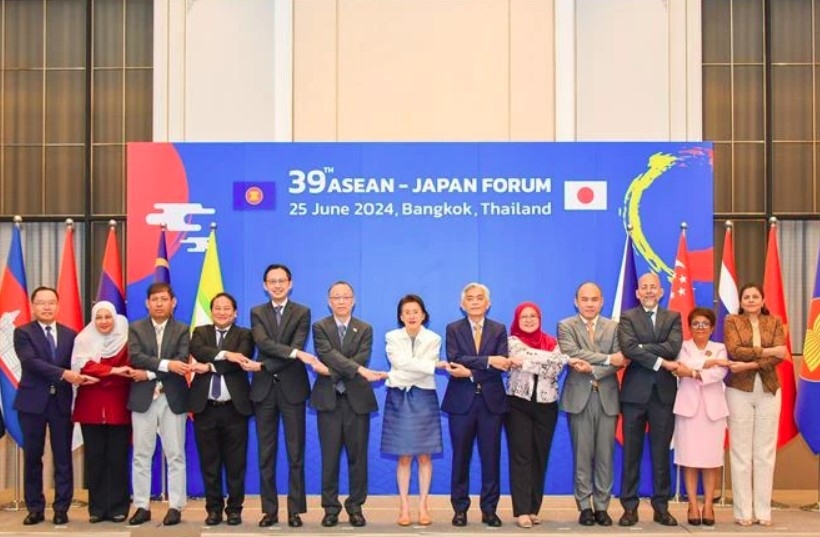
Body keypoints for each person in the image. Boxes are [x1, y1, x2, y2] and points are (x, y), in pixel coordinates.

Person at [246, 264, 327, 527]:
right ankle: (269, 511)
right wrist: (292, 354)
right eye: (272, 281)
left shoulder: (302, 312)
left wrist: (264, 364)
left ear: (290, 283)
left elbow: (297, 345)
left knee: (295, 453)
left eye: (282, 281)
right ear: (264, 285)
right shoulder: (257, 312)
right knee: (265, 454)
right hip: (264, 391)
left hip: (292, 389)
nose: (277, 285)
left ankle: (294, 510)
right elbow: (263, 343)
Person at [13, 286, 95, 525]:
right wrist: (64, 374)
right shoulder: (23, 332)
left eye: (51, 302)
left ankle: (61, 508)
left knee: (63, 458)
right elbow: (30, 362)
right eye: (41, 303)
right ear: (33, 306)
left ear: (58, 306)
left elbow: (80, 363)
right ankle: (35, 508)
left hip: (60, 403)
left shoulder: (71, 335)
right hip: (32, 404)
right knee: (33, 458)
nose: (47, 307)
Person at [311, 281, 385, 528]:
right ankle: (330, 508)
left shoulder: (365, 328)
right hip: (329, 401)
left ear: (353, 300)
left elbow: (360, 357)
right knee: (329, 458)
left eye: (345, 297)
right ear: (329, 301)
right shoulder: (320, 326)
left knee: (358, 458)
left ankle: (356, 507)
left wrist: (330, 372)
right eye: (336, 297)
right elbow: (326, 353)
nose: (341, 301)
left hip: (357, 402)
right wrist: (358, 370)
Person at [557, 282, 627, 527]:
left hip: (607, 397)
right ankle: (584, 505)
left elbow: (621, 360)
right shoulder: (566, 326)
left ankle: (602, 506)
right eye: (584, 299)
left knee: (605, 456)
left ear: (602, 301)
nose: (589, 304)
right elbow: (571, 353)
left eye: (594, 299)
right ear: (576, 301)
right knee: (582, 454)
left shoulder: (615, 327)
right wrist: (607, 358)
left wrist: (595, 369)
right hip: (579, 398)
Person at [617, 272, 683, 527]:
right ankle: (629, 508)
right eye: (643, 287)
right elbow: (627, 348)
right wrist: (658, 357)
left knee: (660, 454)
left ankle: (661, 507)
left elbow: (673, 347)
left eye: (653, 287)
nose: (648, 291)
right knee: (631, 454)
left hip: (663, 395)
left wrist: (643, 349)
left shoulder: (673, 317)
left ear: (661, 291)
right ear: (637, 293)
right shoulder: (628, 317)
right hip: (634, 395)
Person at [442, 282, 509, 527]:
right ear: (462, 304)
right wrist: (489, 360)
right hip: (461, 403)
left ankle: (489, 509)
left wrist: (471, 373)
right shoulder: (453, 329)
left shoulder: (499, 329)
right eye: (469, 298)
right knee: (461, 457)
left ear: (488, 303)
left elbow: (502, 364)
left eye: (479, 298)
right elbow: (455, 359)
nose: (474, 301)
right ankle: (460, 509)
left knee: (491, 458)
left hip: (491, 403)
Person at [381, 294, 449, 526]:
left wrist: (403, 371)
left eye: (415, 311)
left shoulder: (434, 338)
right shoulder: (391, 336)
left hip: (424, 396)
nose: (411, 315)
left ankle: (423, 506)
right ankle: (404, 507)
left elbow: (423, 372)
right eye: (407, 312)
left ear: (423, 315)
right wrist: (429, 366)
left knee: (425, 455)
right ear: (401, 316)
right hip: (399, 396)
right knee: (403, 456)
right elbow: (402, 364)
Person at [127, 282, 191, 526]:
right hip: (143, 399)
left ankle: (176, 506)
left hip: (172, 398)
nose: (159, 303)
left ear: (172, 302)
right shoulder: (136, 328)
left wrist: (150, 373)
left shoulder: (183, 329)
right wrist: (166, 366)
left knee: (175, 455)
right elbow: (136, 357)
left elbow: (182, 360)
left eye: (164, 299)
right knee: (141, 455)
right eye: (155, 299)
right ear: (147, 303)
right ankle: (142, 505)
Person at [723, 283, 787, 527]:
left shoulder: (775, 322)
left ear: (763, 300)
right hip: (739, 390)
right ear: (741, 301)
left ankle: (763, 511)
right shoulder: (732, 321)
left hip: (769, 391)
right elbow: (734, 350)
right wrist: (770, 351)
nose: (750, 300)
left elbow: (779, 357)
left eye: (755, 296)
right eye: (746, 297)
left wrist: (751, 362)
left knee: (765, 453)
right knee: (740, 452)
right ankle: (743, 512)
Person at [189, 292, 255, 526]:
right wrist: (227, 354)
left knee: (236, 463)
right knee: (210, 462)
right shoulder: (200, 333)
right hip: (204, 408)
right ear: (211, 311)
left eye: (227, 308)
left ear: (235, 313)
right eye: (218, 308)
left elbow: (241, 360)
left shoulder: (245, 334)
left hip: (234, 409)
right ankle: (213, 509)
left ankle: (234, 510)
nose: (222, 312)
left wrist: (208, 366)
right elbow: (198, 351)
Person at [505, 301, 569, 528]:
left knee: (540, 456)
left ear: (540, 318)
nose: (529, 320)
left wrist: (531, 360)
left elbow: (555, 368)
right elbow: (521, 359)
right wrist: (548, 358)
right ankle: (521, 510)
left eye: (533, 316)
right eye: (524, 317)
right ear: (517, 320)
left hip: (546, 404)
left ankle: (533, 508)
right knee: (521, 455)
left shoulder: (553, 341)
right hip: (517, 404)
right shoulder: (511, 341)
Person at [71, 301, 133, 523]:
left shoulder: (126, 339)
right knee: (95, 460)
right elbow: (82, 367)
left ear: (115, 318)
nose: (104, 322)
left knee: (117, 459)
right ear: (93, 319)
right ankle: (96, 509)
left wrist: (101, 374)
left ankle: (118, 507)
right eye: (99, 317)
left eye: (108, 317)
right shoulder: (83, 339)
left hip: (119, 406)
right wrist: (114, 371)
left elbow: (129, 366)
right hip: (90, 408)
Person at [672, 307, 729, 527]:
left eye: (705, 324)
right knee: (690, 460)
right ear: (690, 326)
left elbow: (719, 373)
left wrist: (695, 371)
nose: (700, 328)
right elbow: (681, 368)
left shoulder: (720, 347)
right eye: (696, 323)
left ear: (712, 327)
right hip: (688, 410)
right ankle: (693, 504)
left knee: (711, 460)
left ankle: (708, 505)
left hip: (713, 411)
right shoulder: (683, 347)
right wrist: (707, 364)